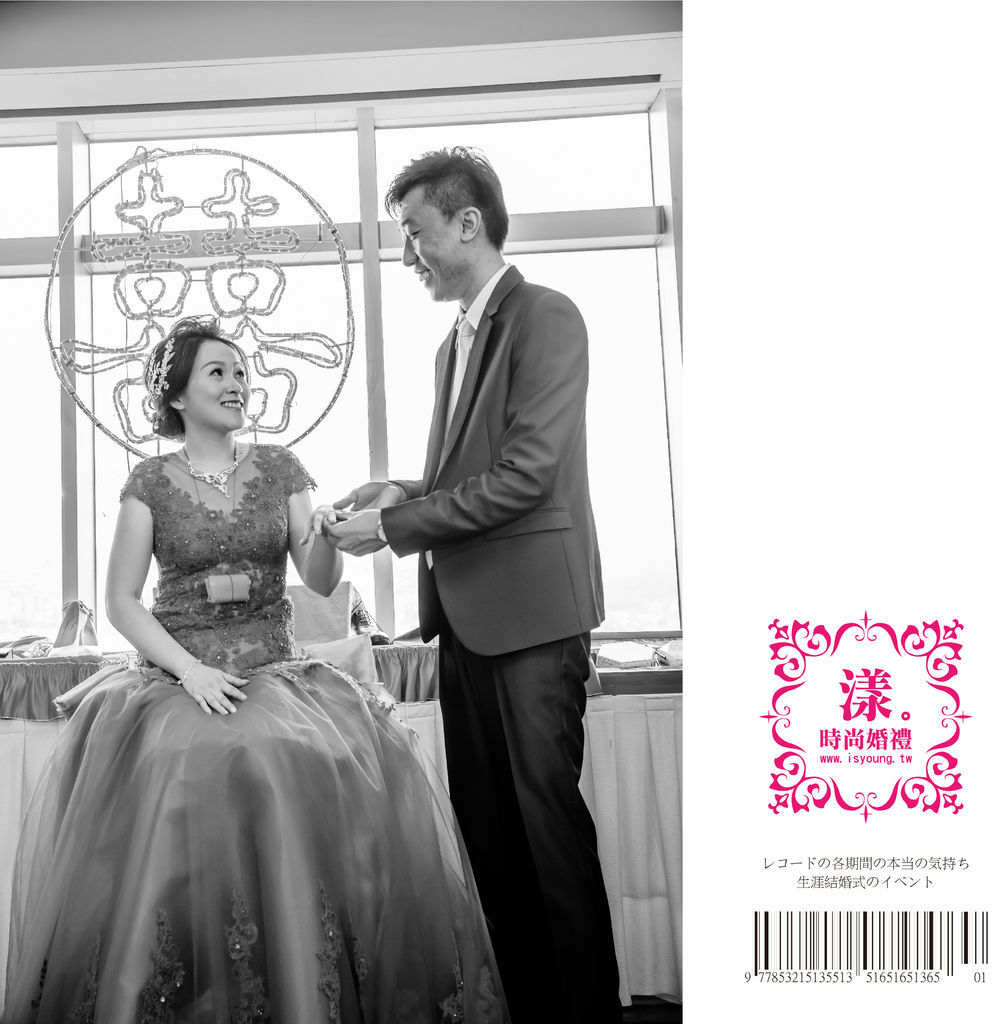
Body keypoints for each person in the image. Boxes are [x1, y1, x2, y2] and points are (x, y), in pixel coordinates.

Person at [2, 316, 506, 1023]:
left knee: (287, 753)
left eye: (241, 372)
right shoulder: (148, 483)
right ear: (177, 395)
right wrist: (189, 672)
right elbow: (121, 601)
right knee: (189, 760)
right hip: (179, 674)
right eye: (218, 371)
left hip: (274, 668)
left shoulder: (281, 470)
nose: (237, 383)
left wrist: (325, 535)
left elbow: (320, 580)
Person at [319, 148, 621, 1024]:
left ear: (467, 223)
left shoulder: (546, 316)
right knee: (491, 839)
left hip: (533, 620)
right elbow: (471, 477)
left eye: (414, 232)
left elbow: (527, 476)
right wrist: (401, 491)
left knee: (546, 837)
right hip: (467, 624)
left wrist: (395, 530)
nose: (407, 253)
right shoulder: (452, 345)